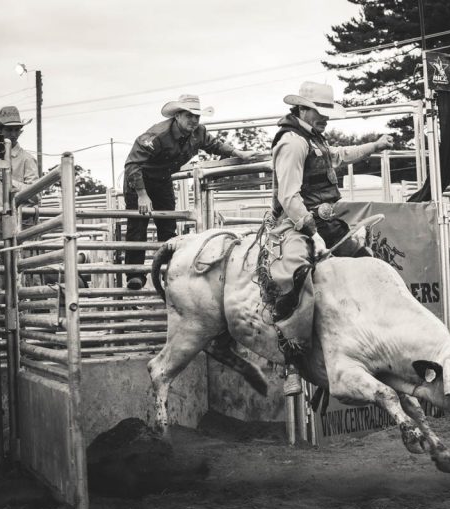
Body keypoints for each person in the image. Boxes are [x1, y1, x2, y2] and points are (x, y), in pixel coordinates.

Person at [268, 81, 393, 393]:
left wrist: (374, 146)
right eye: (319, 112)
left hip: (326, 221)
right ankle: (292, 360)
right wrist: (312, 232)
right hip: (297, 224)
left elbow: (338, 155)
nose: (325, 118)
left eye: (326, 113)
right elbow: (289, 196)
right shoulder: (292, 143)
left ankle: (377, 337)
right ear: (302, 109)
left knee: (368, 264)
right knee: (294, 277)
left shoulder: (314, 139)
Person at [122, 94, 256, 290]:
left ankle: (169, 270)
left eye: (197, 116)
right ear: (177, 116)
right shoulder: (157, 135)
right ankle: (135, 274)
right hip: (139, 180)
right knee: (138, 225)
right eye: (189, 115)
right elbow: (133, 164)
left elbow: (215, 145)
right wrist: (142, 194)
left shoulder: (198, 132)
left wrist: (237, 153)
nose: (193, 120)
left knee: (168, 226)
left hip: (162, 180)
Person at [0, 106, 39, 207]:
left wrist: (9, 181)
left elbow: (36, 196)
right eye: (9, 130)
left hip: (18, 215)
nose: (13, 134)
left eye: (17, 130)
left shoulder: (27, 159)